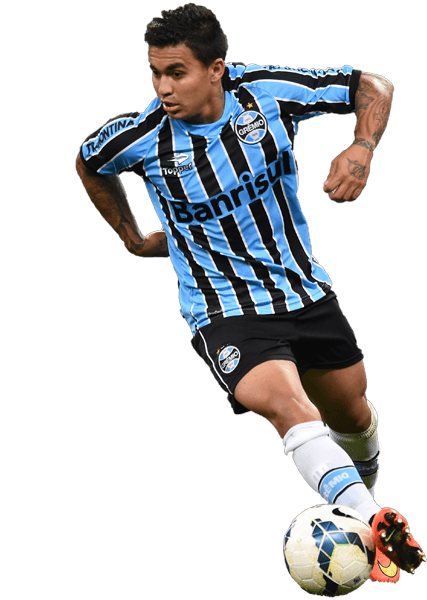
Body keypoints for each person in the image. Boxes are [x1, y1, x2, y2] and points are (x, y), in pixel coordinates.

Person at [76, 3, 425, 582]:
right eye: (155, 73)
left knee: (354, 417)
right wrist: (131, 238)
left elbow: (375, 86)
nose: (163, 88)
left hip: (304, 290)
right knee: (290, 407)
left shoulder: (266, 93)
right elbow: (90, 161)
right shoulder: (143, 136)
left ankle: (362, 513)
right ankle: (374, 517)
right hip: (223, 309)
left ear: (216, 68)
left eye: (177, 72)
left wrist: (361, 148)